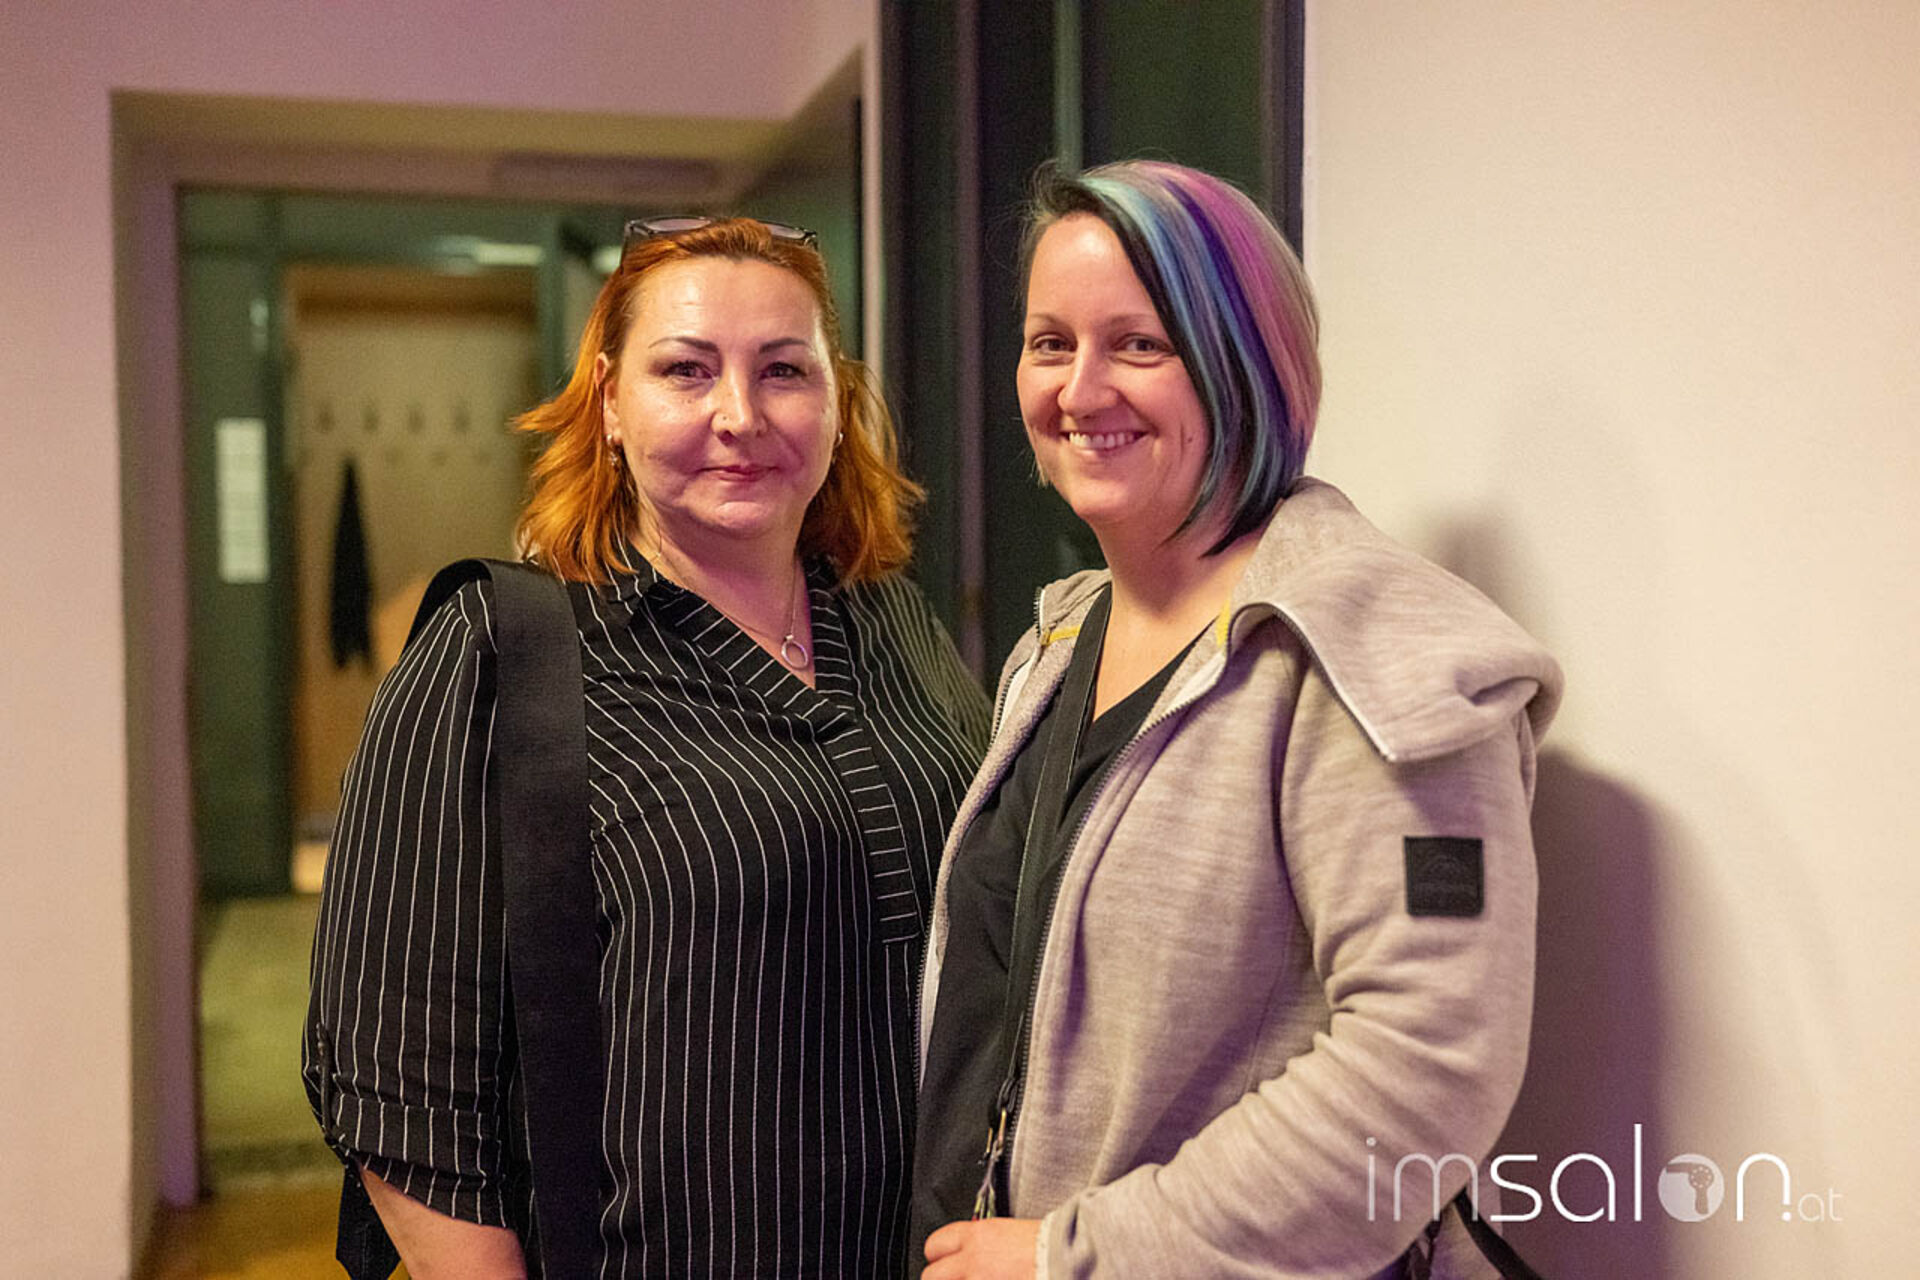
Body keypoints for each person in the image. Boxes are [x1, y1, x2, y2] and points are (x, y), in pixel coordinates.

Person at [910, 161, 1563, 1278]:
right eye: (1051, 343)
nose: (1080, 390)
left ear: (1246, 365)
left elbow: (1427, 1068)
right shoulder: (1057, 643)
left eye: (1139, 345)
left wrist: (1077, 1257)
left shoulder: (1372, 657)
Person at [304, 215, 990, 1278]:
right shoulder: (500, 650)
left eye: (784, 370)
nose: (740, 414)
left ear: (838, 401)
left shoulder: (895, 621)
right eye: (685, 369)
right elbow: (397, 1072)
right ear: (610, 402)